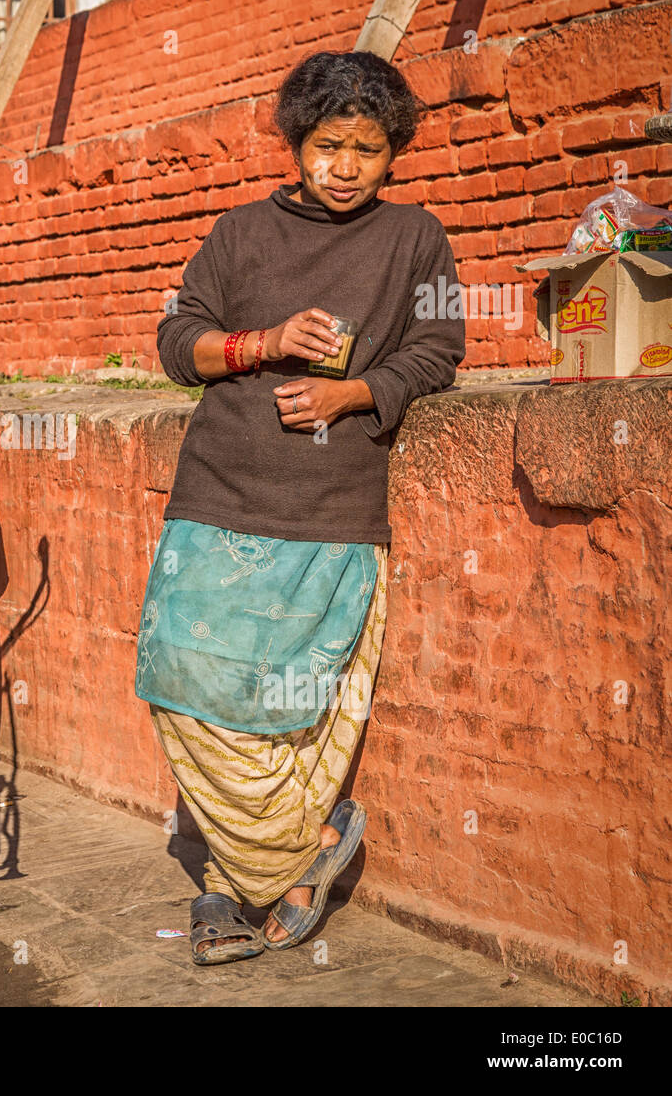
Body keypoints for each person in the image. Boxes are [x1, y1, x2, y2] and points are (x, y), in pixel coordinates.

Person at [137, 50, 466, 964]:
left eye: (367, 148)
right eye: (328, 145)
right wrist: (263, 343)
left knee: (304, 708)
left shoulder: (415, 239)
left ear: (393, 151)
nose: (346, 166)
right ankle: (299, 853)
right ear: (296, 143)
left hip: (332, 503)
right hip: (218, 488)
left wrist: (350, 396)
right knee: (180, 680)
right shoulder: (240, 232)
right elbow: (176, 340)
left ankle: (242, 881)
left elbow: (439, 349)